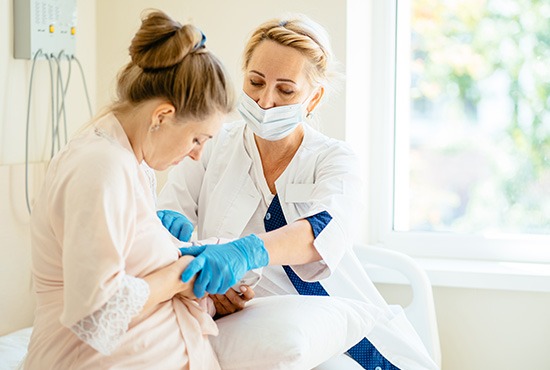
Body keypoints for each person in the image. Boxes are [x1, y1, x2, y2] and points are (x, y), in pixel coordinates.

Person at [157, 13, 439, 370]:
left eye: (286, 90)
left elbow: (324, 231)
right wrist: (203, 280)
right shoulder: (210, 145)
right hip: (239, 326)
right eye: (255, 82)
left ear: (314, 98)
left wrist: (247, 252)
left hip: (340, 325)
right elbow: (170, 222)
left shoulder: (334, 160)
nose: (265, 101)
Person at [25, 10, 238, 369]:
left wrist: (208, 285)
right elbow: (97, 311)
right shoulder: (101, 166)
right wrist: (182, 275)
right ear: (162, 116)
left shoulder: (130, 165)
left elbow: (130, 272)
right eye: (197, 139)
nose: (197, 153)